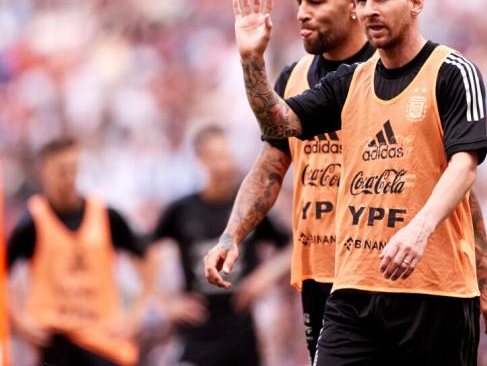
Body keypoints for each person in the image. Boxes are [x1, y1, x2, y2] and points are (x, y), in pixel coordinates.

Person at [209, 0, 487, 365]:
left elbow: (458, 168)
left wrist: (469, 257)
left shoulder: (449, 71)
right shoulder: (341, 83)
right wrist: (251, 61)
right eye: (363, 0)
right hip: (346, 281)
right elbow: (278, 135)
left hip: (432, 286)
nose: (369, 10)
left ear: (415, 2)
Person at [148, 124, 289, 366]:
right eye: (216, 156)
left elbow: (292, 245)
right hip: (197, 330)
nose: (224, 164)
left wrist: (264, 277)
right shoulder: (182, 210)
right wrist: (166, 303)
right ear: (200, 159)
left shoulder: (249, 208)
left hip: (241, 330)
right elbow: (144, 251)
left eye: (226, 155)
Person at [5, 137, 144, 366]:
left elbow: (145, 255)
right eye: (61, 171)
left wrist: (136, 314)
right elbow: (5, 272)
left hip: (102, 338)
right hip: (55, 337)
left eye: (73, 169)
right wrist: (20, 320)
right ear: (44, 172)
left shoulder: (105, 215)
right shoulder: (32, 221)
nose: (69, 178)